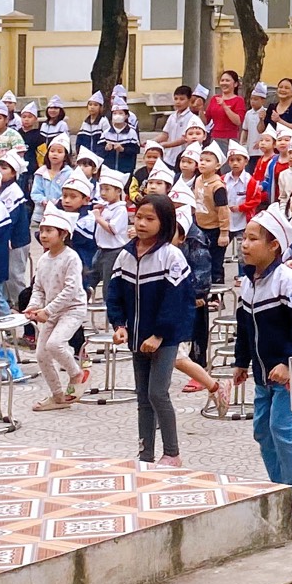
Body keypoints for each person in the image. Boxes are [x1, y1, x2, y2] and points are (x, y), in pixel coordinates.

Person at [106, 193, 198, 467]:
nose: (142, 223)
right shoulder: (125, 255)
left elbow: (176, 301)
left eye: (150, 219)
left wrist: (159, 334)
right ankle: (145, 454)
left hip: (164, 339)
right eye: (139, 217)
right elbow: (114, 294)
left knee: (158, 393)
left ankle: (172, 453)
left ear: (164, 222)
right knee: (143, 398)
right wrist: (119, 325)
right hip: (137, 338)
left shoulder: (171, 256)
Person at [237, 210, 292, 507]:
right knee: (262, 431)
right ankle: (279, 488)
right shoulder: (248, 281)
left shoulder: (288, 280)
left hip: (290, 375)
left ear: (274, 246)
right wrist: (241, 361)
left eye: (252, 239)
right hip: (263, 374)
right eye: (244, 238)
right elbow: (245, 326)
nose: (244, 244)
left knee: (283, 429)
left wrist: (289, 363)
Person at [24, 205, 89, 410]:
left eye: (49, 231)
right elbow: (38, 288)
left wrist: (47, 311)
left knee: (55, 344)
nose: (43, 235)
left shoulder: (71, 258)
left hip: (72, 309)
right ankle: (58, 396)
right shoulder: (44, 259)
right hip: (51, 311)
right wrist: (34, 306)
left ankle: (76, 373)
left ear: (63, 234)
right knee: (41, 355)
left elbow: (71, 290)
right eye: (42, 230)